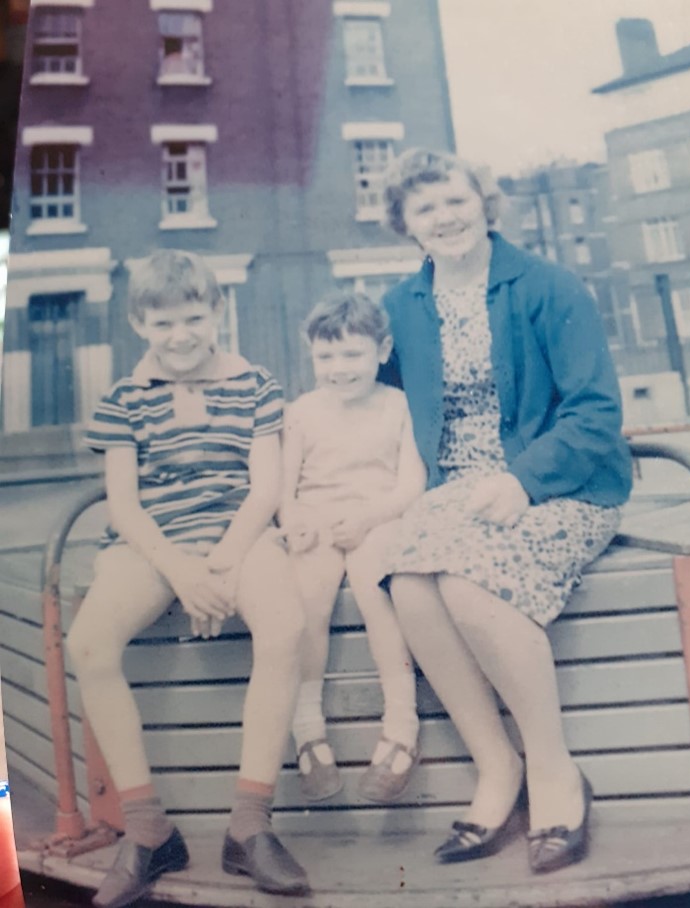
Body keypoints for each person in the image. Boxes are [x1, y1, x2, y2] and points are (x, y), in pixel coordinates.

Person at [379, 149, 633, 874]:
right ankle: (497, 768)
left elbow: (594, 412)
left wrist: (522, 480)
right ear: (406, 225)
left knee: (466, 581)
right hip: (453, 492)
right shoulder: (401, 307)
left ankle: (553, 770)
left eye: (455, 199)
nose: (445, 216)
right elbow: (381, 407)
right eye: (425, 209)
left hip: (561, 483)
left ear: (483, 201)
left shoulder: (549, 287)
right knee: (409, 582)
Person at [66, 249, 310, 906]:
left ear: (218, 312)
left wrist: (223, 562)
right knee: (86, 645)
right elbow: (123, 503)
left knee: (285, 628)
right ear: (138, 323)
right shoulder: (124, 398)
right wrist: (181, 570)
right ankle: (149, 833)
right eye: (163, 323)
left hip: (239, 532)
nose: (180, 336)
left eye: (194, 319)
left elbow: (264, 489)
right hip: (154, 543)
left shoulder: (255, 384)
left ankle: (248, 828)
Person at [281, 293, 427, 803]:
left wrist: (369, 518)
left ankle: (402, 724)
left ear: (382, 350)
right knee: (309, 599)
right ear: (310, 354)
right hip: (318, 522)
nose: (339, 369)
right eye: (326, 357)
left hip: (378, 517)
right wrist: (295, 520)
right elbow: (286, 489)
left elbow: (410, 484)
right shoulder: (301, 413)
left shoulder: (399, 407)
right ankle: (306, 725)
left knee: (378, 594)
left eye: (352, 355)